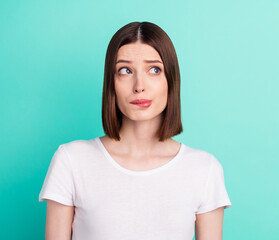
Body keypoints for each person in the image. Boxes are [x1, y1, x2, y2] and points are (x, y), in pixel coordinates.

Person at [39, 21, 232, 240]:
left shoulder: (204, 169)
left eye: (154, 70)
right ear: (111, 83)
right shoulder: (71, 161)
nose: (139, 85)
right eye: (125, 70)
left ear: (171, 80)